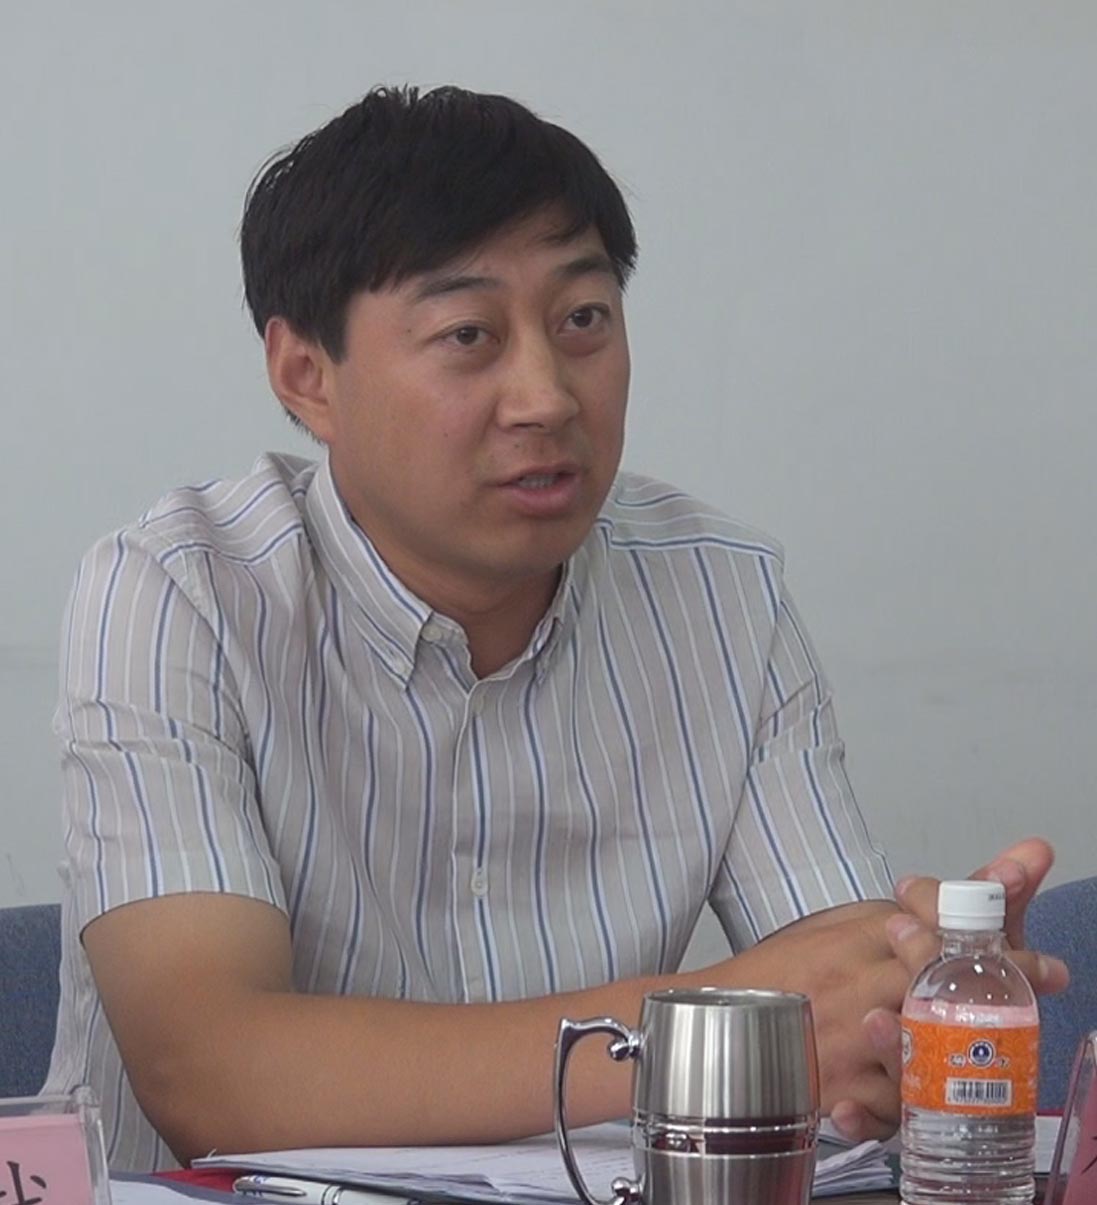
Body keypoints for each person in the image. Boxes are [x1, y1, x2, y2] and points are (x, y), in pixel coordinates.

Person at [43, 85, 1068, 1173]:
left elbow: (834, 1006)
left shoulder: (722, 597)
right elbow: (214, 1072)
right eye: (467, 336)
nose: (544, 396)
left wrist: (916, 992)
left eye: (582, 320)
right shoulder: (180, 593)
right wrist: (697, 1028)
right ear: (308, 377)